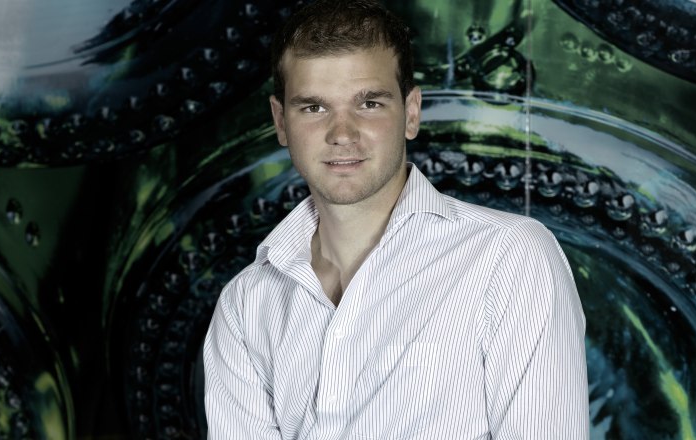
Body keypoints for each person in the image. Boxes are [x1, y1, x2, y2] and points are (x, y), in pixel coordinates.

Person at [203, 0, 588, 438]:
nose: (341, 133)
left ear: (410, 113)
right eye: (313, 107)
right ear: (280, 121)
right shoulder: (246, 303)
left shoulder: (510, 258)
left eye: (368, 103)